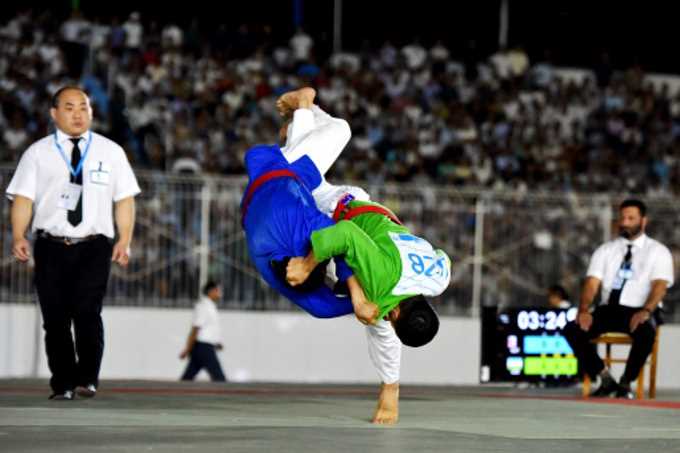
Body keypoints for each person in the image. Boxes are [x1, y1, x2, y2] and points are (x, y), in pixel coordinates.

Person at [242, 87, 445, 424]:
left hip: (360, 204)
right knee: (307, 150)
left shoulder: (439, 276)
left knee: (339, 132)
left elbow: (437, 255)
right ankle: (302, 113)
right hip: (333, 208)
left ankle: (301, 117)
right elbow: (346, 238)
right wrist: (308, 266)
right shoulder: (383, 288)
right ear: (396, 314)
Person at [7, 86, 141, 400]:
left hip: (95, 245)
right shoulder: (37, 153)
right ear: (54, 114)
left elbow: (124, 200)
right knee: (54, 318)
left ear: (92, 112)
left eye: (84, 107)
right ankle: (63, 383)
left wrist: (125, 240)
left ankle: (87, 378)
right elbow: (23, 198)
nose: (78, 113)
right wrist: (18, 235)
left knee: (86, 312)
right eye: (69, 107)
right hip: (50, 245)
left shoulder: (111, 152)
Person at [562, 199, 673, 399]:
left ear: (643, 221)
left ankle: (625, 382)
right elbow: (591, 283)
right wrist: (584, 310)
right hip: (609, 310)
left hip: (641, 309)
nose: (625, 222)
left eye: (631, 218)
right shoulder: (605, 250)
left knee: (646, 333)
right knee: (573, 329)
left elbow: (660, 286)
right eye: (622, 218)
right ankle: (604, 378)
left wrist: (646, 310)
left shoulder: (658, 251)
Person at [179, 281, 227, 382]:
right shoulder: (203, 306)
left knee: (187, 378)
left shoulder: (210, 306)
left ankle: (174, 394)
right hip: (204, 348)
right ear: (211, 291)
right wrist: (187, 349)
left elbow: (209, 328)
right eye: (217, 290)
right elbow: (196, 328)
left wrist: (216, 343)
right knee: (220, 379)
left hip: (203, 347)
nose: (219, 293)